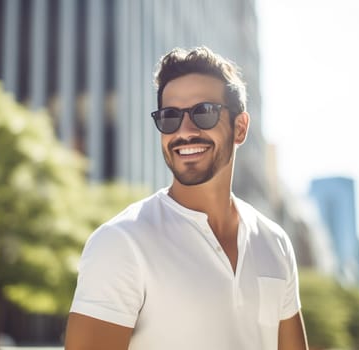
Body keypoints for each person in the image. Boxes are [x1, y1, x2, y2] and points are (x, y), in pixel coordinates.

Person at [64, 46, 308, 350]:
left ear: (240, 128)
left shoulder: (276, 243)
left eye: (204, 113)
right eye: (170, 117)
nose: (185, 130)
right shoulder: (120, 242)